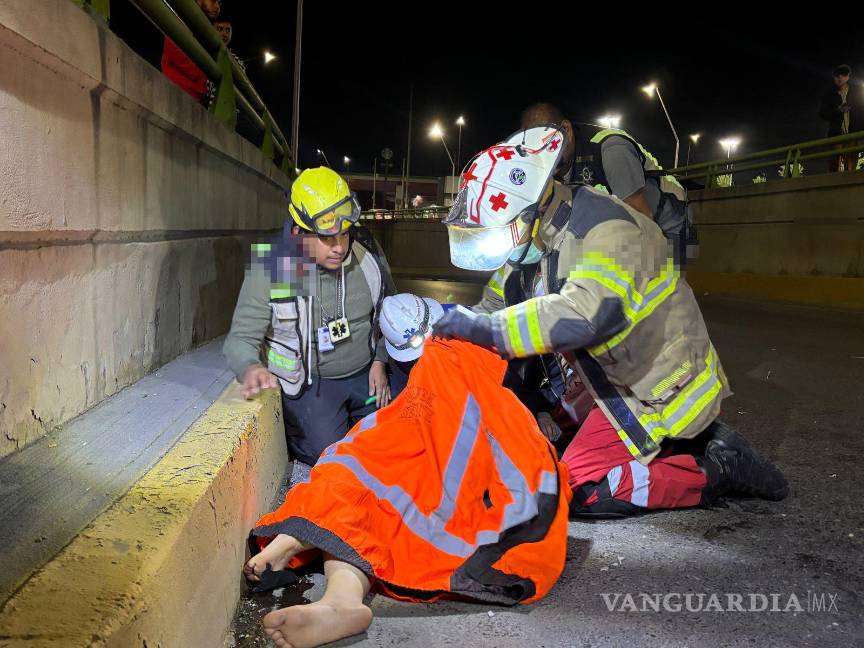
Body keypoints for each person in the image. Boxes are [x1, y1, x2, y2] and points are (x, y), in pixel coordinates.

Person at [434, 125, 789, 517]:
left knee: (574, 488)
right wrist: (443, 330)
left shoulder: (605, 229)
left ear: (531, 211)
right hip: (605, 378)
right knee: (537, 443)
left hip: (654, 386)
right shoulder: (535, 243)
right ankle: (694, 444)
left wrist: (487, 330)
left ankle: (713, 472)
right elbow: (492, 307)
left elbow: (583, 316)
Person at [244, 335, 571, 648]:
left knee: (355, 501)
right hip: (421, 504)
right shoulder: (465, 402)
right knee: (351, 492)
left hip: (441, 515)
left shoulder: (432, 398)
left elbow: (532, 486)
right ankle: (333, 594)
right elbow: (542, 480)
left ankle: (319, 570)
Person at [223, 167, 399, 466]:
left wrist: (381, 361)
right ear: (298, 231)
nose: (340, 247)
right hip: (312, 385)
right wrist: (250, 367)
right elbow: (239, 340)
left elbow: (391, 312)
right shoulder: (272, 267)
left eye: (344, 234)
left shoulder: (367, 253)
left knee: (387, 443)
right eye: (327, 238)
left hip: (366, 378)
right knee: (328, 457)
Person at [521, 102, 695, 262]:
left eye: (546, 145)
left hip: (668, 226)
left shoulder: (611, 150)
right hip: (619, 225)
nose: (542, 157)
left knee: (628, 279)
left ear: (566, 129)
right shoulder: (554, 166)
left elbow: (643, 220)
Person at [161, 0, 221, 102]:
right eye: (213, 0)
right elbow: (175, 52)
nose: (218, 7)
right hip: (178, 89)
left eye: (219, 3)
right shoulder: (184, 14)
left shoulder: (200, 22)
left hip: (192, 94)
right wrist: (206, 79)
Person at [819, 64, 858, 172]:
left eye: (843, 74)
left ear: (848, 76)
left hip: (853, 134)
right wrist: (837, 110)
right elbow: (822, 114)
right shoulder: (829, 94)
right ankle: (835, 187)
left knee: (850, 167)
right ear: (833, 78)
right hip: (836, 134)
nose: (840, 77)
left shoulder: (856, 92)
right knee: (834, 165)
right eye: (837, 75)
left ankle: (849, 187)